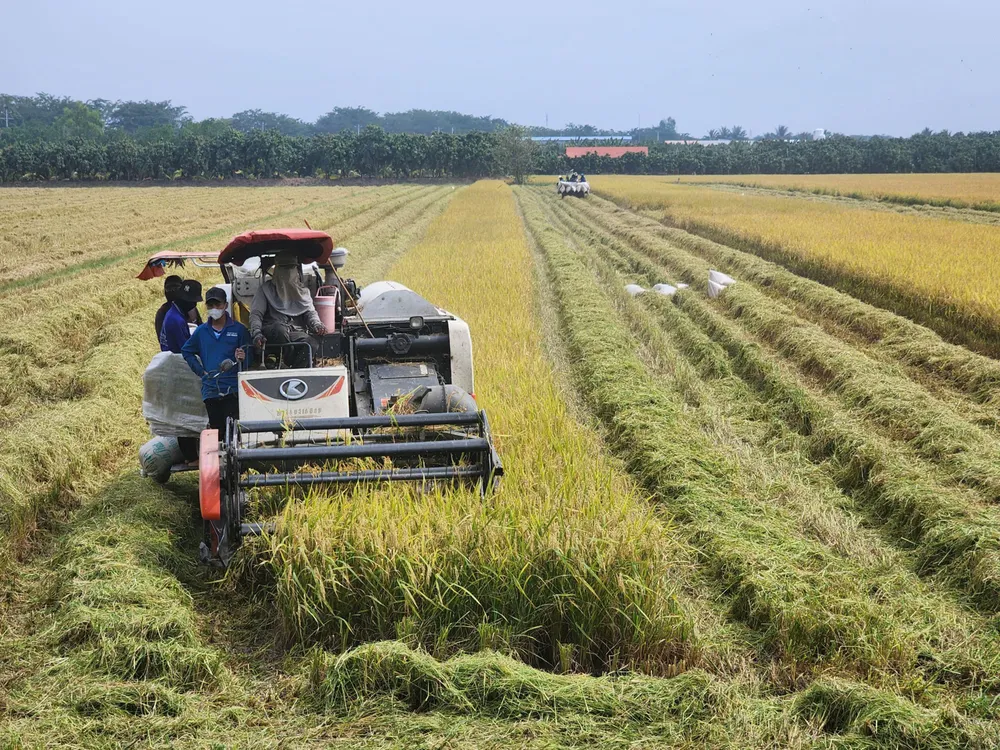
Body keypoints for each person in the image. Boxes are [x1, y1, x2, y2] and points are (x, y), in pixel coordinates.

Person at [182, 286, 250, 432]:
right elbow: (186, 351)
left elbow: (249, 358)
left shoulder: (239, 330)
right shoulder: (201, 332)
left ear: (225, 305)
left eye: (218, 305)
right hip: (211, 390)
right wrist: (201, 372)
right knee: (217, 432)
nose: (214, 309)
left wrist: (243, 358)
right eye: (210, 305)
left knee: (233, 431)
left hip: (233, 390)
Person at [249, 250, 328, 368]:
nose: (288, 272)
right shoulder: (265, 290)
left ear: (296, 270)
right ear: (277, 270)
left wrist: (317, 325)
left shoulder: (303, 291)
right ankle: (285, 361)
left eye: (291, 268)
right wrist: (257, 333)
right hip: (273, 331)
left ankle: (297, 371)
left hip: (294, 332)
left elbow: (310, 313)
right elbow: (256, 314)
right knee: (279, 329)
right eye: (284, 268)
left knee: (311, 343)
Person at [159, 280, 202, 353]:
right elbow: (186, 351)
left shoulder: (174, 312)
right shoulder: (176, 320)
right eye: (193, 302)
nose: (194, 305)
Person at [154, 275, 183, 340]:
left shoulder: (161, 312)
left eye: (176, 288)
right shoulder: (162, 312)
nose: (172, 291)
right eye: (169, 289)